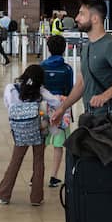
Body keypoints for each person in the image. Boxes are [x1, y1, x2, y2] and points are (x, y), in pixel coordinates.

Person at [50, 0, 112, 133]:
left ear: (94, 19)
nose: (77, 18)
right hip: (90, 116)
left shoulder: (110, 45)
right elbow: (81, 83)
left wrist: (105, 96)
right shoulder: (87, 47)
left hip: (108, 118)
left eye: (82, 14)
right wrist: (63, 108)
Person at [0, 65, 62, 206]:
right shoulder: (40, 91)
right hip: (38, 129)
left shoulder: (12, 88)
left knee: (16, 161)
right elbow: (56, 102)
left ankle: (3, 194)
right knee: (39, 161)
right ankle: (37, 198)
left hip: (20, 131)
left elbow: (8, 106)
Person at [40, 35, 73, 188]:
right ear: (64, 48)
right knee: (58, 144)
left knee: (42, 141)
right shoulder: (67, 69)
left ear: (48, 48)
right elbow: (70, 90)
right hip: (61, 108)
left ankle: (37, 175)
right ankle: (53, 176)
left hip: (44, 107)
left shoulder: (42, 67)